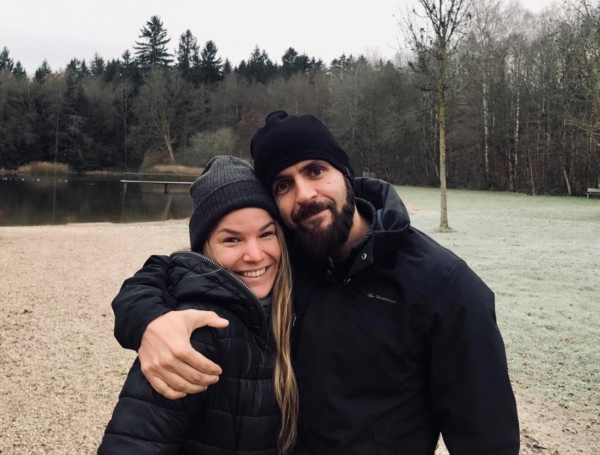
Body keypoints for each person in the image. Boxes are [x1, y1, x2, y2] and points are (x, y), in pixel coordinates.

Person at [112, 111, 520, 454]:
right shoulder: (288, 254)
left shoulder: (443, 286)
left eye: (315, 171)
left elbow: (487, 440)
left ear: (345, 174)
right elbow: (175, 269)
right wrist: (149, 321)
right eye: (283, 185)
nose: (304, 194)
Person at [99, 155, 298, 454]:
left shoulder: (293, 302)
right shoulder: (195, 333)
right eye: (232, 240)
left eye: (266, 234)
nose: (255, 255)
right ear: (205, 249)